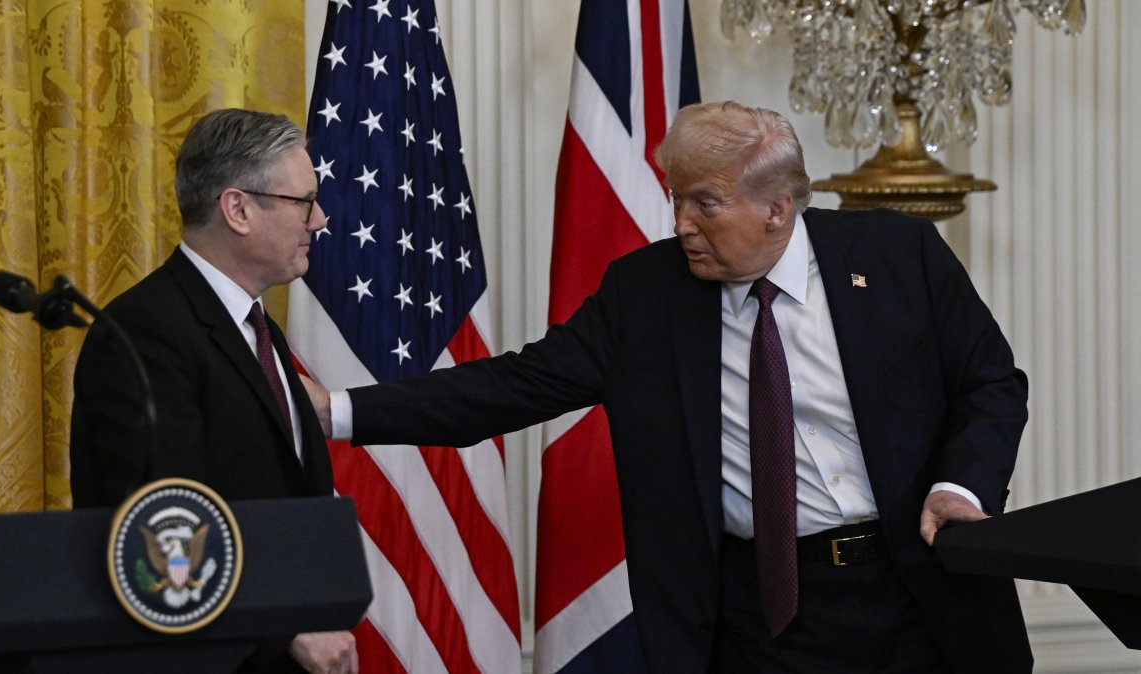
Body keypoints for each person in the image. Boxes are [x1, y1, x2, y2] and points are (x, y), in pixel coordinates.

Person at [301, 101, 1032, 672]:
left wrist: (963, 487)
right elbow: (515, 385)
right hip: (760, 620)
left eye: (705, 204)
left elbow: (991, 383)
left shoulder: (896, 254)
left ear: (777, 206)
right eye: (676, 199)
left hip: (920, 590)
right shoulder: (646, 294)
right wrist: (336, 412)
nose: (680, 224)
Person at [70, 108, 358, 674]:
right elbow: (163, 523)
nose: (320, 220)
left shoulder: (254, 325)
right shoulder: (144, 333)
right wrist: (286, 628)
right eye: (304, 201)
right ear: (238, 209)